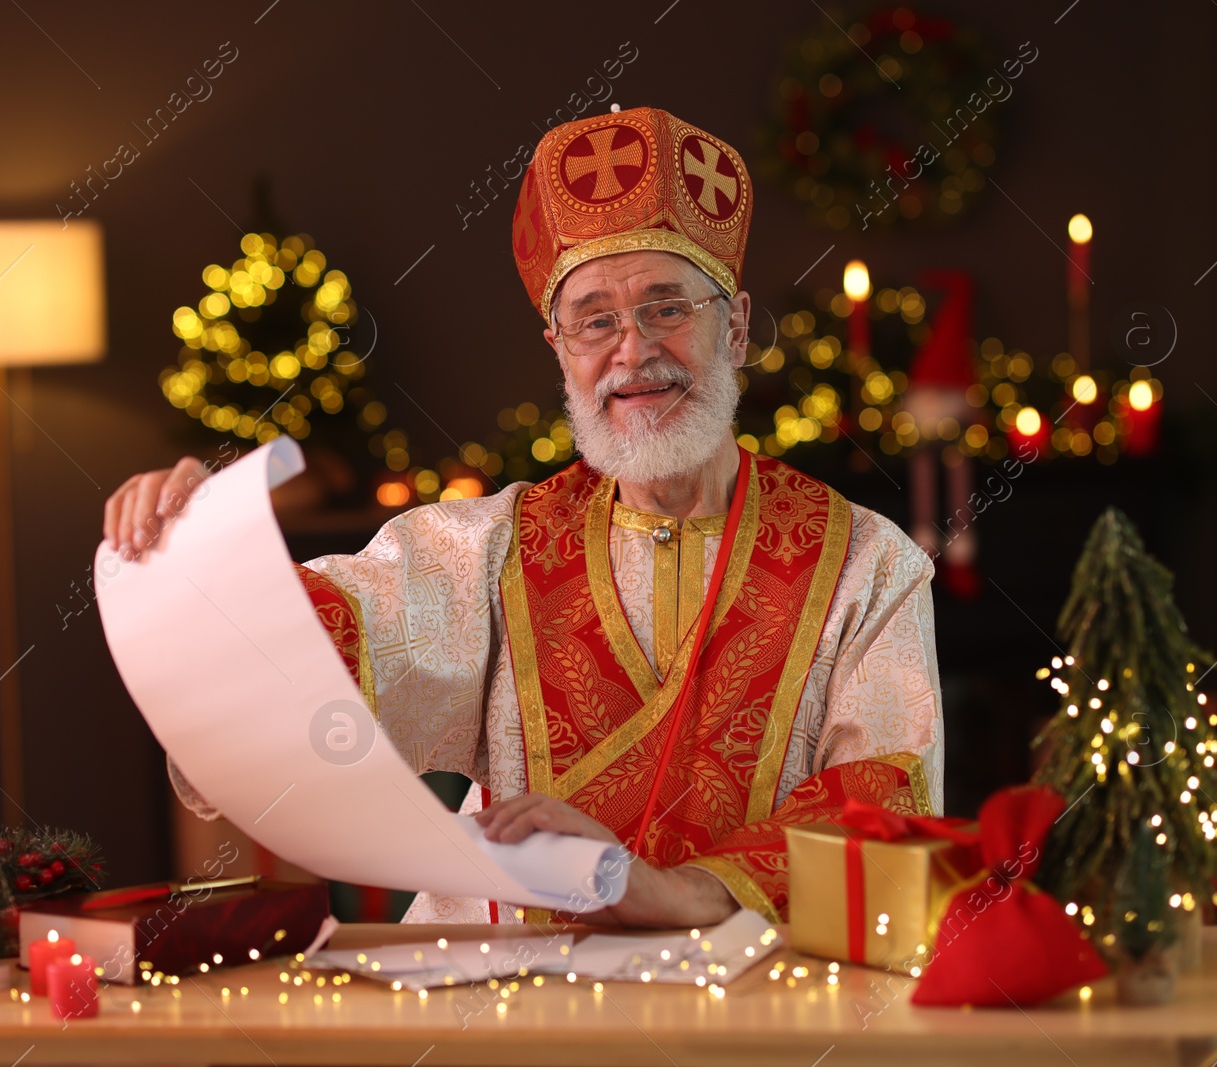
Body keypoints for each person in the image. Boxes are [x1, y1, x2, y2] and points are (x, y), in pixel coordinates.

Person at [104, 107, 943, 928]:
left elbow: (883, 806)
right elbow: (313, 650)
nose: (633, 350)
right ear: (558, 350)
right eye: (595, 321)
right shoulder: (481, 551)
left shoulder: (869, 562)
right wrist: (203, 555)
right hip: (511, 999)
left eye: (668, 307)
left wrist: (682, 892)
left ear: (737, 327)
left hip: (760, 1013)